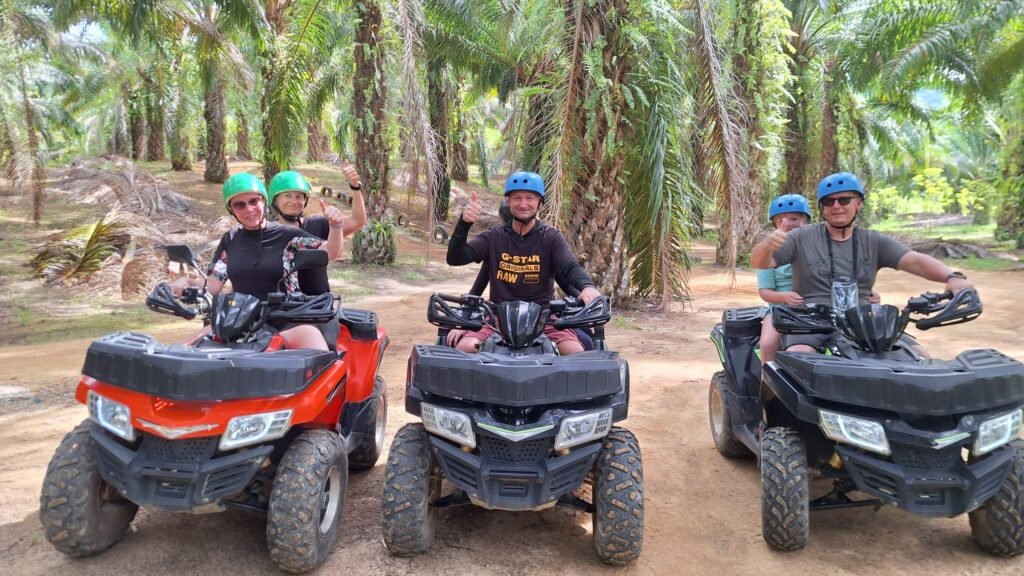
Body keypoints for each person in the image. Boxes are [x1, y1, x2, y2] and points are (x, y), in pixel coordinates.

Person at [751, 171, 973, 354]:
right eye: (829, 201)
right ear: (822, 208)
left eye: (844, 199)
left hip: (863, 321)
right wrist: (767, 245)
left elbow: (915, 260)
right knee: (799, 358)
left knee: (917, 355)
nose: (836, 206)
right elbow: (761, 262)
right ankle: (771, 404)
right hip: (810, 321)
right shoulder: (801, 237)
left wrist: (952, 277)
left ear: (858, 203)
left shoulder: (873, 241)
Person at [169, 172, 346, 351]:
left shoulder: (287, 235)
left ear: (264, 201)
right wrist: (187, 282)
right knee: (184, 351)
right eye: (239, 205)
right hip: (240, 320)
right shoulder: (230, 240)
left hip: (288, 319)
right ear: (231, 209)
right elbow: (214, 283)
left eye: (254, 201)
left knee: (319, 358)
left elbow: (331, 251)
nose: (249, 209)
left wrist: (336, 226)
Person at [446, 171, 601, 355]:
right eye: (517, 198)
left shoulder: (551, 237)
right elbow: (456, 258)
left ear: (540, 203)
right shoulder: (493, 237)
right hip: (497, 316)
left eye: (530, 198)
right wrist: (464, 223)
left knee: (574, 351)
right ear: (508, 202)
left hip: (544, 316)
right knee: (465, 347)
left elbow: (569, 267)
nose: (523, 204)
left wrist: (587, 287)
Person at [267, 165, 366, 295]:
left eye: (299, 196)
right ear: (275, 200)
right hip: (280, 308)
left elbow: (357, 221)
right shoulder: (267, 233)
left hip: (317, 307)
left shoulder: (318, 224)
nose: (294, 201)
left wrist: (355, 187)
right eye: (287, 195)